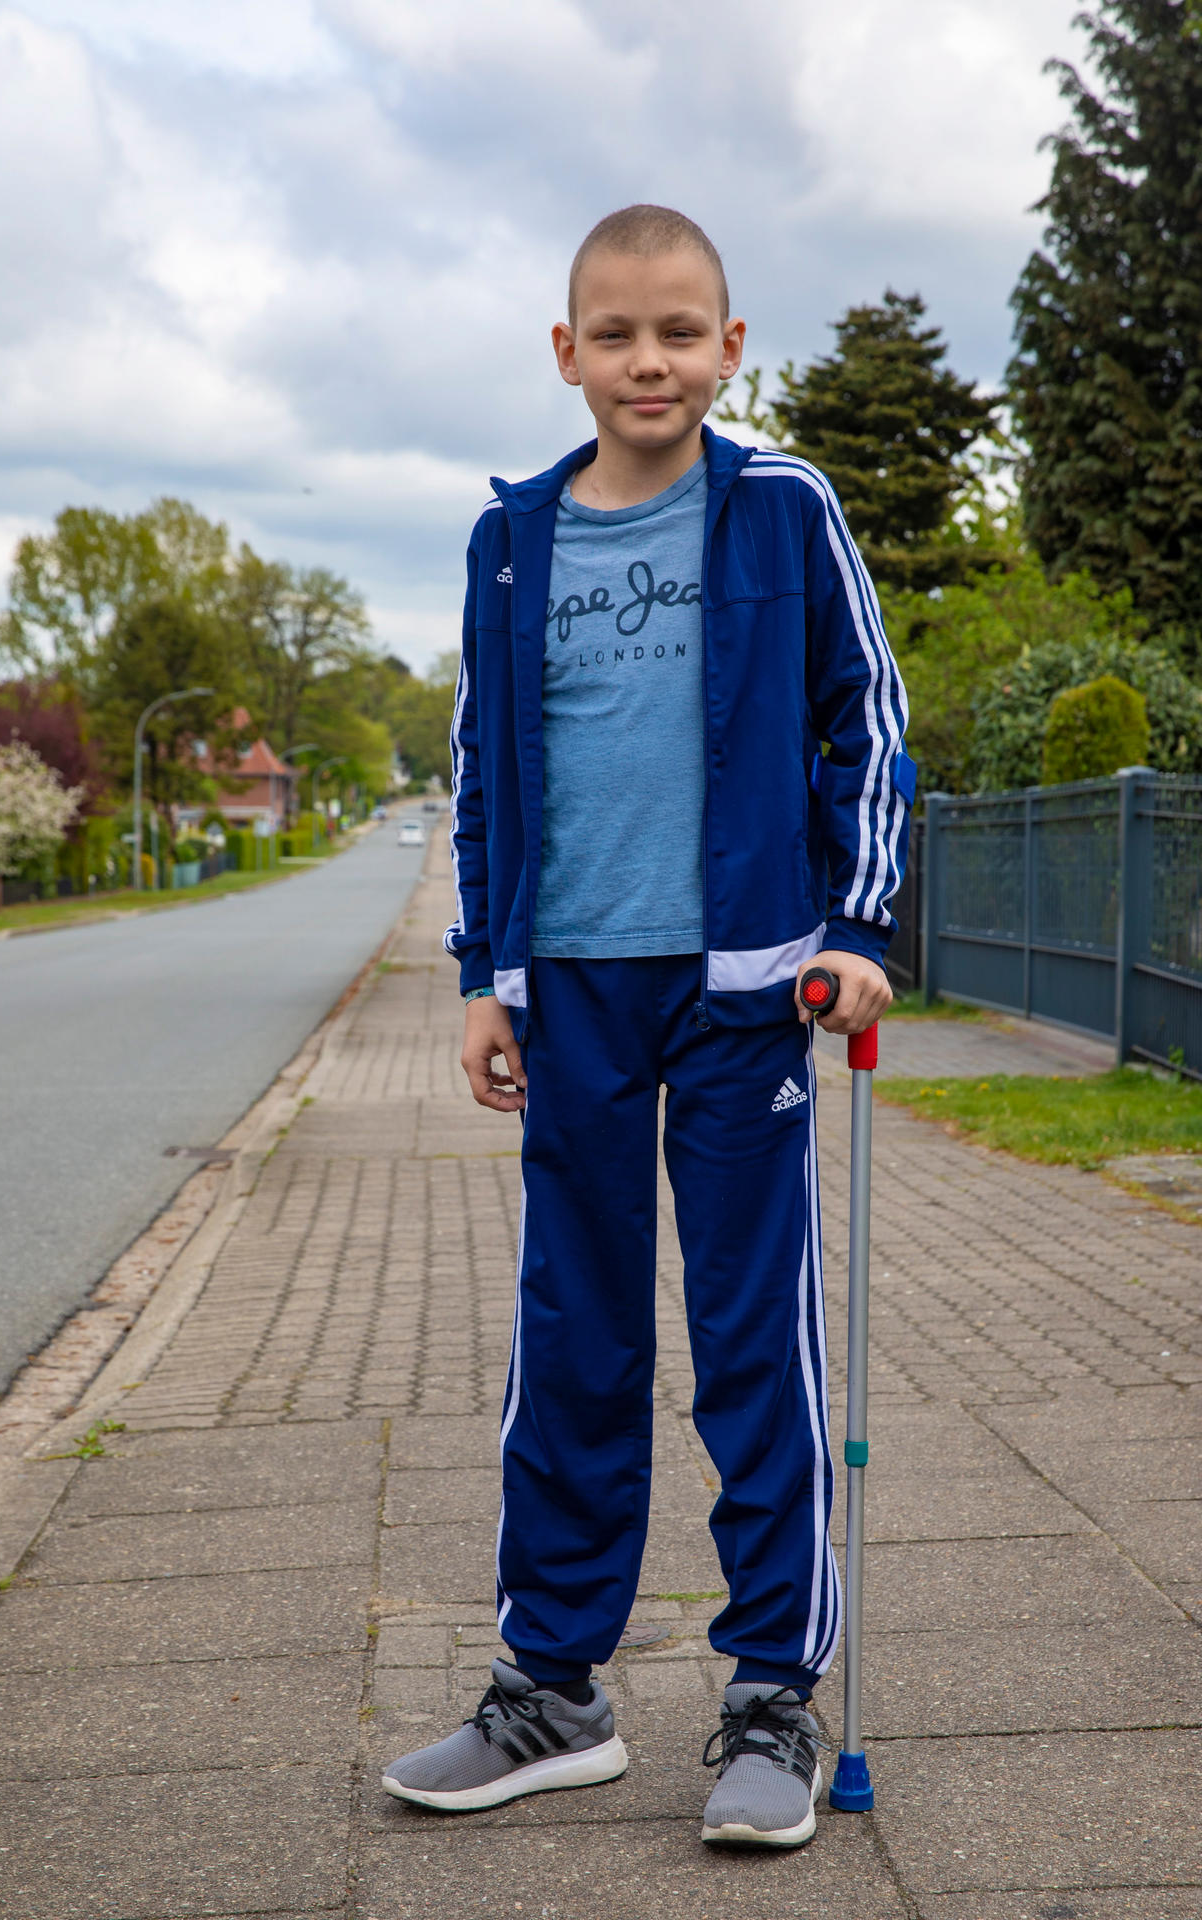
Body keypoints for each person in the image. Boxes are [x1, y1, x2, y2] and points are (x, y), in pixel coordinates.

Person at [382, 205, 914, 1849]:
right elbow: (482, 770)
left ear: (731, 346)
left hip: (748, 985)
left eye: (681, 332)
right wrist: (485, 971)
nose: (650, 361)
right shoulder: (514, 540)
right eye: (615, 335)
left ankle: (771, 1698)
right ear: (567, 353)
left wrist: (859, 929)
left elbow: (869, 723)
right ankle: (556, 1690)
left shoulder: (781, 510)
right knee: (577, 1340)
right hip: (575, 993)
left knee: (756, 1343)